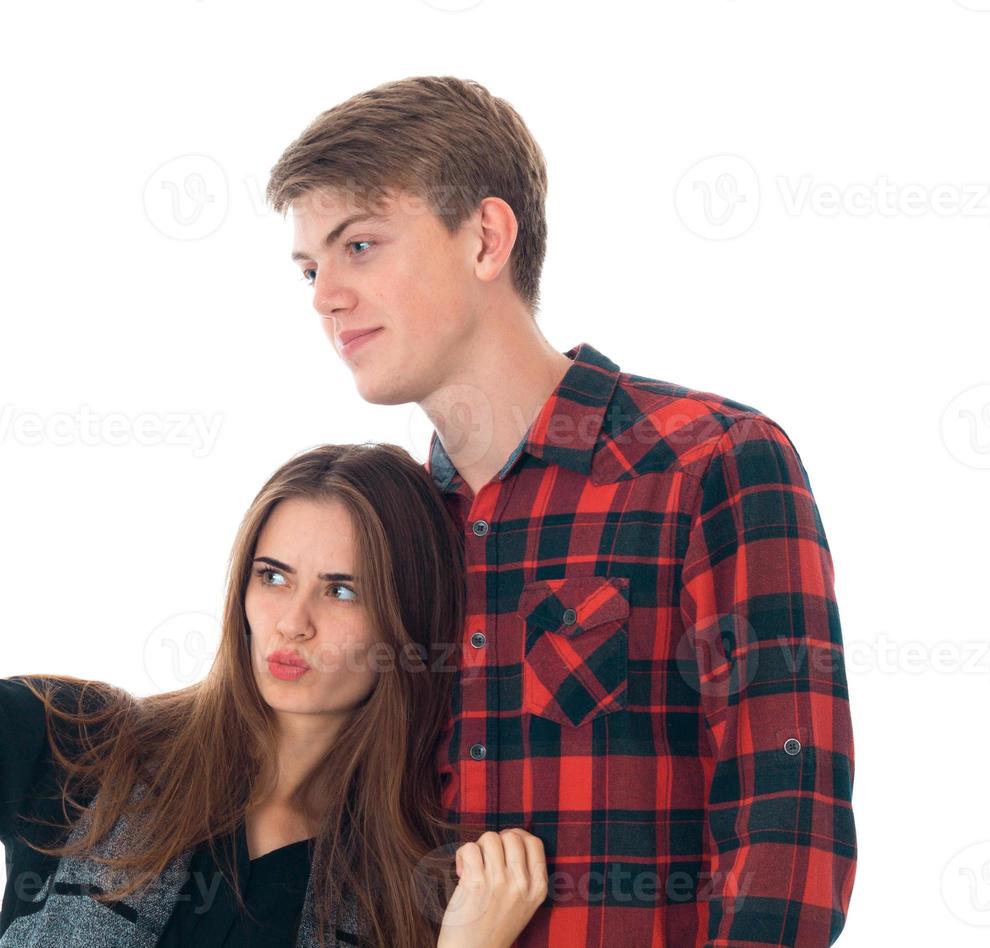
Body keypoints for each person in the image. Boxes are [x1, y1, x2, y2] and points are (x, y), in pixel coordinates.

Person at [266, 75, 857, 945]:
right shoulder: (391, 529)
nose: (323, 296)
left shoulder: (706, 462)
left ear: (486, 239)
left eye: (359, 247)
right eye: (311, 268)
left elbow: (787, 816)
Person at [0, 382, 550, 948]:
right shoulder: (94, 751)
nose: (296, 621)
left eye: (344, 590)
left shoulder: (417, 887)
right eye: (274, 577)